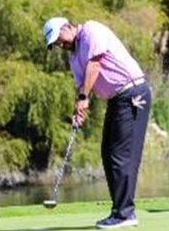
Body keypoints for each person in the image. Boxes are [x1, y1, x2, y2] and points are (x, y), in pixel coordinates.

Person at [43, 17, 151, 229]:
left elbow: (94, 65)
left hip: (132, 93)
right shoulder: (73, 56)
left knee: (121, 154)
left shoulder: (91, 30)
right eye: (55, 44)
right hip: (116, 99)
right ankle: (120, 211)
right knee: (108, 153)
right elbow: (81, 84)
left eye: (59, 39)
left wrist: (84, 98)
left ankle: (125, 214)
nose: (60, 45)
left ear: (67, 27)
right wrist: (79, 108)